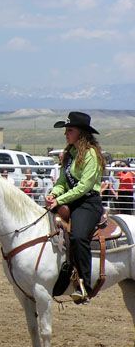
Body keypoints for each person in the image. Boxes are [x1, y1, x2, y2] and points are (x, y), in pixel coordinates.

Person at [45, 111, 104, 304]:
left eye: (69, 130)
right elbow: (63, 181)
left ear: (81, 133)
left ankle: (85, 286)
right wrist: (54, 193)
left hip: (88, 202)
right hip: (70, 200)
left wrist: (60, 200)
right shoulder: (70, 154)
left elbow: (84, 186)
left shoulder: (91, 155)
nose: (65, 133)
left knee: (78, 237)